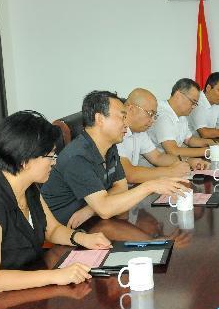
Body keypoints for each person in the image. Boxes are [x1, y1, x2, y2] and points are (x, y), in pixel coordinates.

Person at [0, 111, 112, 309]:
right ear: (25, 161)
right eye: (50, 156)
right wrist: (55, 276)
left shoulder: (29, 188)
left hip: (21, 288)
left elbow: (52, 230)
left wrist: (84, 239)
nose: (54, 162)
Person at [42, 91, 187, 226]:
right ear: (100, 119)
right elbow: (105, 210)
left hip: (94, 221)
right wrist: (151, 186)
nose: (126, 123)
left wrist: (91, 209)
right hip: (61, 230)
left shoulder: (110, 147)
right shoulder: (78, 156)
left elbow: (121, 187)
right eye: (122, 117)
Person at [119, 88, 203, 182]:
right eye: (150, 114)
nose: (153, 120)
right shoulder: (116, 131)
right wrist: (171, 171)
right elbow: (129, 174)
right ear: (131, 109)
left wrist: (188, 161)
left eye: (154, 116)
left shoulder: (139, 131)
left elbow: (157, 157)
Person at [148, 79, 219, 159]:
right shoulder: (163, 115)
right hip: (153, 165)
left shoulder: (181, 114)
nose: (194, 107)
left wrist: (212, 143)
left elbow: (189, 139)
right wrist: (210, 150)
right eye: (193, 102)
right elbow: (173, 151)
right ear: (178, 95)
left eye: (195, 104)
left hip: (173, 161)